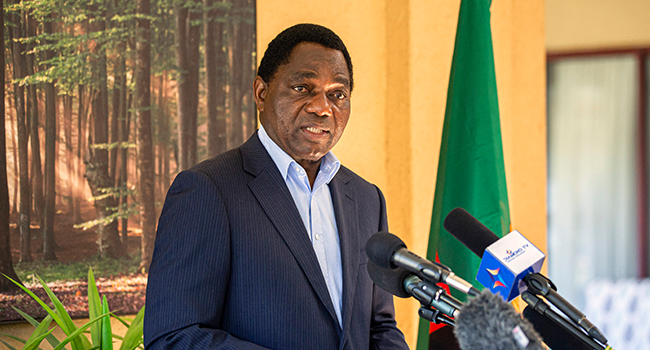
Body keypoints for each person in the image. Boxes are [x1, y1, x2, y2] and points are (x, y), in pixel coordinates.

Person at [144, 23, 409, 350]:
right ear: (261, 92)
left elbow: (379, 326)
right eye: (303, 88)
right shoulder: (208, 190)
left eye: (337, 94)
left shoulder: (368, 199)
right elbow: (173, 337)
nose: (322, 108)